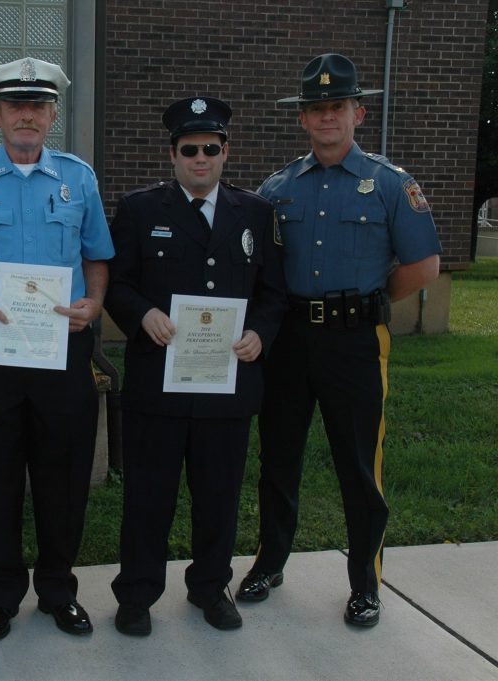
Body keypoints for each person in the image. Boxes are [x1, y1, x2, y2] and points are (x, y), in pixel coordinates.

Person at [236, 53, 442, 627]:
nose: (327, 118)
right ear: (302, 118)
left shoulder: (390, 186)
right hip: (288, 343)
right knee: (278, 457)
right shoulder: (277, 188)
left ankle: (365, 582)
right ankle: (270, 562)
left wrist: (366, 302)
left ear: (358, 112)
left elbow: (423, 265)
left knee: (359, 462)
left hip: (355, 341)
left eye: (337, 107)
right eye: (316, 109)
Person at [0, 57, 114, 641]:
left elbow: (96, 254)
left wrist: (92, 303)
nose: (27, 115)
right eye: (16, 105)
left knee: (63, 474)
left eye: (38, 106)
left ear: (53, 115)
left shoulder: (77, 178)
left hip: (63, 347)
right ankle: (3, 594)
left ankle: (59, 590)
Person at [104, 97, 288, 636]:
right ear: (173, 154)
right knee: (147, 497)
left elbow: (274, 293)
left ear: (226, 151)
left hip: (226, 384)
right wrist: (143, 315)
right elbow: (117, 282)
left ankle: (211, 587)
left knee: (218, 496)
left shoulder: (254, 213)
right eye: (190, 150)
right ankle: (137, 594)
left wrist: (260, 333)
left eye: (211, 148)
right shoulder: (140, 209)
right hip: (158, 384)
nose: (201, 158)